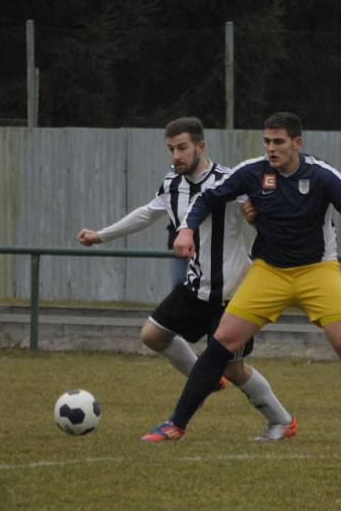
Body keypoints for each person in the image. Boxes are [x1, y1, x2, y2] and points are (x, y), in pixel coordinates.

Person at [149, 111, 341, 446]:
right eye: (267, 141)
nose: (271, 148)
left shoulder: (321, 175)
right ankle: (176, 425)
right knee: (224, 340)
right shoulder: (252, 172)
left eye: (279, 142)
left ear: (297, 143)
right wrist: (186, 229)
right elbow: (208, 197)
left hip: (317, 270)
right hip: (269, 271)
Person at [77, 116, 296, 442]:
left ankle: (282, 421)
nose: (176, 155)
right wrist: (100, 235)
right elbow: (146, 213)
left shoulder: (228, 180)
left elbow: (258, 213)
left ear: (200, 146)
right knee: (152, 335)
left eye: (182, 148)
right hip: (196, 287)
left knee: (234, 369)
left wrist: (255, 216)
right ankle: (204, 376)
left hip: (232, 294)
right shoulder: (171, 184)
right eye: (171, 149)